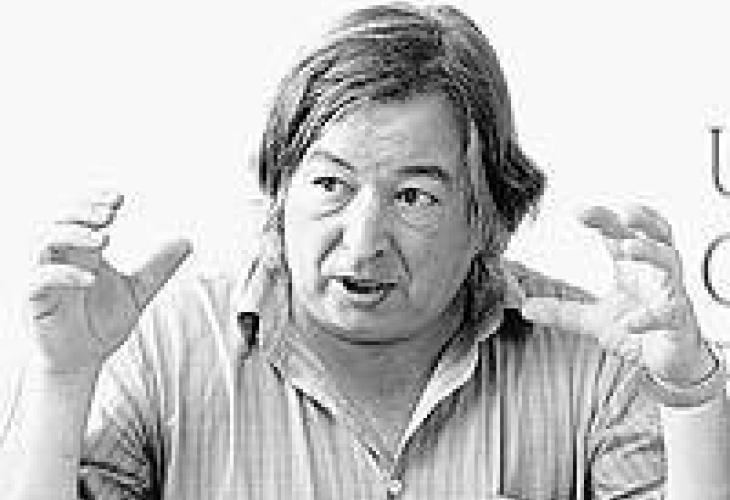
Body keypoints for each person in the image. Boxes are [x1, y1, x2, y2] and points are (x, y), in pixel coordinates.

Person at [2, 3, 729, 499]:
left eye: (414, 196)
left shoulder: (596, 356)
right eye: (330, 185)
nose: (362, 241)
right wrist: (63, 378)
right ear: (279, 192)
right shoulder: (159, 342)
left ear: (490, 218)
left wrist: (688, 390)